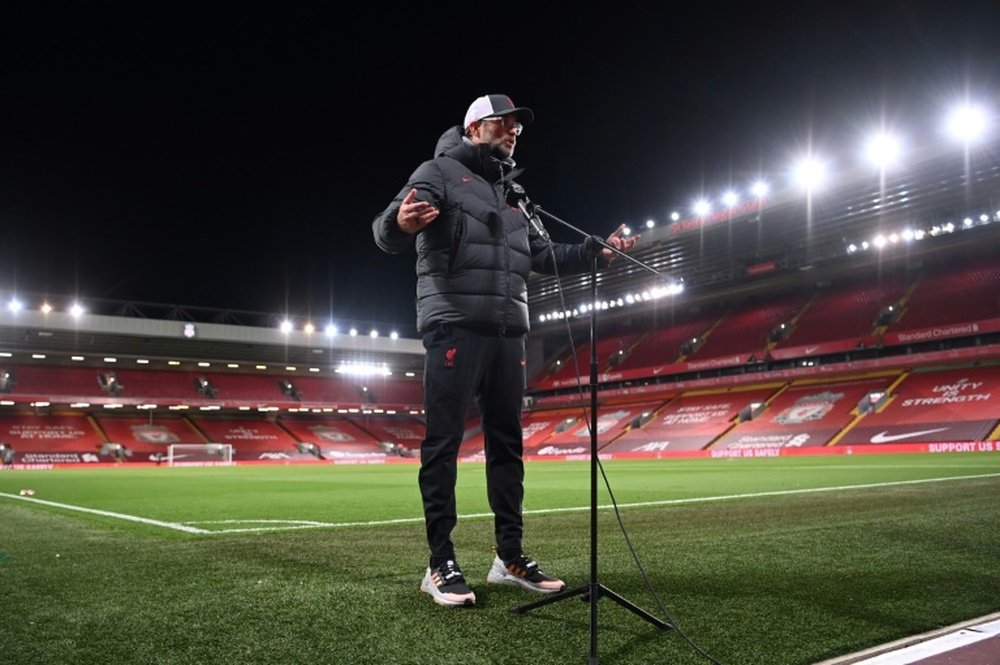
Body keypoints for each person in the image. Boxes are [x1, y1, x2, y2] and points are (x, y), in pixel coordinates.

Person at [372, 94, 636, 607]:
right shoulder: (438, 171)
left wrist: (591, 252)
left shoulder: (514, 194)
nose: (513, 130)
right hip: (454, 325)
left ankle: (508, 557)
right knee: (444, 444)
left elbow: (543, 255)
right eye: (502, 122)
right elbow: (386, 226)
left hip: (508, 332)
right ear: (474, 128)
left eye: (517, 125)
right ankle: (439, 563)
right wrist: (400, 224)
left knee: (507, 447)